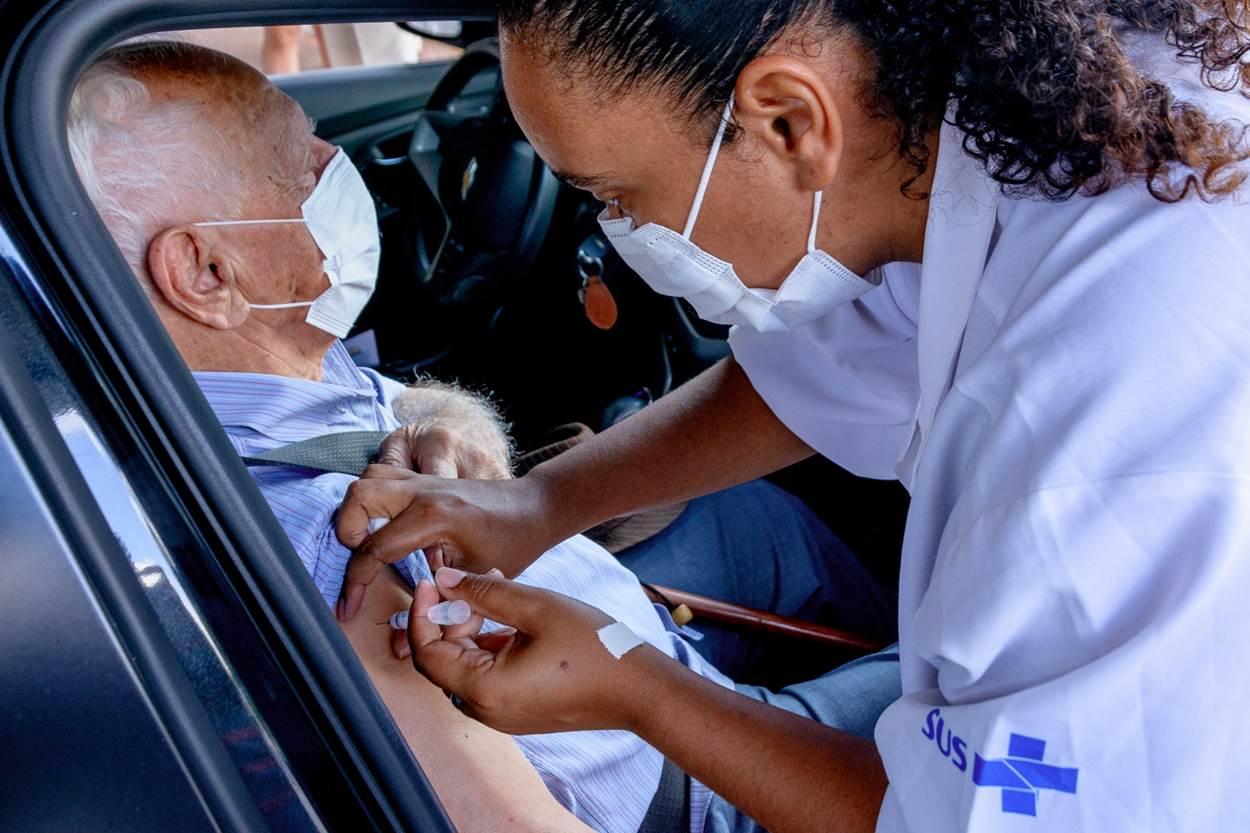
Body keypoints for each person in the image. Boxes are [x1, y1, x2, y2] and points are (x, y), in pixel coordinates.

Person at [333, 3, 1250, 833]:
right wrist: (543, 504)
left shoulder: (1095, 422)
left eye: (619, 194)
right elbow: (828, 363)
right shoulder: (990, 121)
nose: (614, 229)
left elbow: (988, 817)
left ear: (789, 120)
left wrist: (639, 688)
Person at [68, 40, 895, 833]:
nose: (337, 168)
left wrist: (459, 435)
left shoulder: (233, 388)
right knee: (954, 703)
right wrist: (642, 686)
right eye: (296, 165)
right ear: (208, 276)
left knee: (756, 522)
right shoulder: (330, 570)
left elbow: (384, 409)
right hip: (697, 786)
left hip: (623, 626)